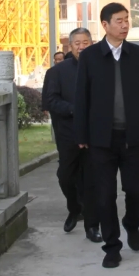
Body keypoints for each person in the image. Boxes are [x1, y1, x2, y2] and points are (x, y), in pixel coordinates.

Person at [74, 3, 139, 269]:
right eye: (118, 21)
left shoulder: (138, 55)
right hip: (101, 139)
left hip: (132, 138)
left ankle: (132, 223)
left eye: (126, 20)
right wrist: (82, 133)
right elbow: (81, 97)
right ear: (105, 25)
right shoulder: (90, 56)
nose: (124, 25)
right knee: (105, 195)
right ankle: (112, 246)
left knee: (136, 189)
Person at [46, 29, 100, 242]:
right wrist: (74, 109)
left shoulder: (101, 68)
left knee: (91, 180)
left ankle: (92, 225)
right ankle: (74, 207)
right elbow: (50, 101)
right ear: (70, 46)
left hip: (94, 133)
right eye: (77, 43)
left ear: (91, 44)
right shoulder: (57, 72)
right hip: (68, 133)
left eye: (85, 42)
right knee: (66, 176)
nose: (81, 46)